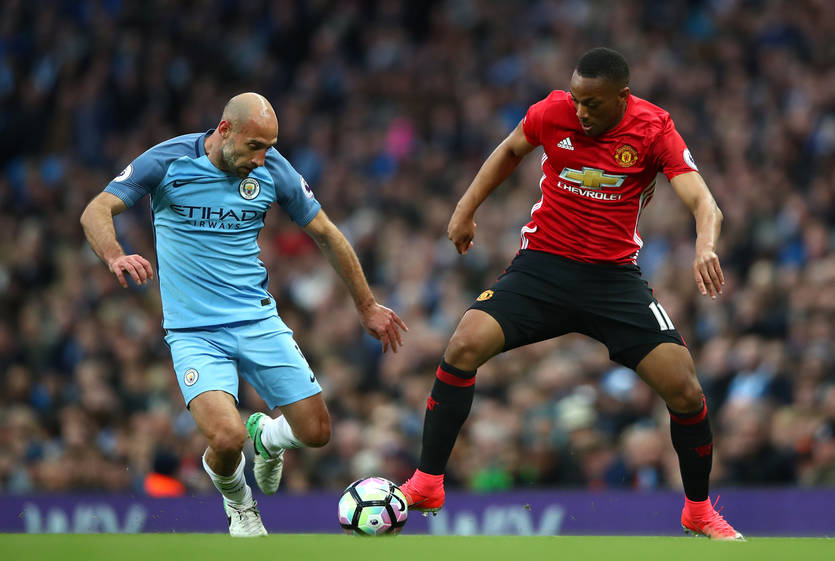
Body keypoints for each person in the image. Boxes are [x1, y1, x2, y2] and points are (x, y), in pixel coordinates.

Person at [399, 47, 743, 540]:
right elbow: (510, 150)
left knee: (686, 389)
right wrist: (465, 208)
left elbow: (703, 201)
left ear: (622, 97)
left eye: (593, 103)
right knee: (463, 345)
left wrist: (704, 246)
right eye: (577, 100)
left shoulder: (654, 128)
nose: (580, 111)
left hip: (612, 280)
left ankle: (698, 511)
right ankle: (427, 483)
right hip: (542, 268)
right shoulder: (552, 111)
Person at [80, 92, 407, 537]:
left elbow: (328, 234)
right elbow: (97, 209)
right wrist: (115, 254)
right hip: (194, 332)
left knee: (316, 432)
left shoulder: (273, 170)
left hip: (257, 321)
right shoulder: (169, 160)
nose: (261, 158)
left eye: (269, 147)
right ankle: (240, 505)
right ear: (224, 130)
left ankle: (268, 438)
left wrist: (367, 305)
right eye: (254, 146)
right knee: (226, 437)